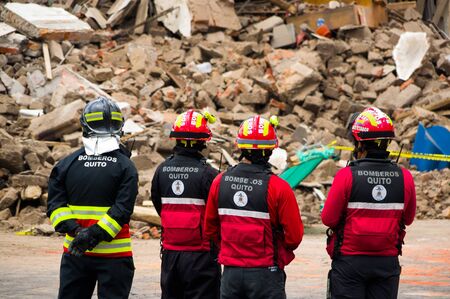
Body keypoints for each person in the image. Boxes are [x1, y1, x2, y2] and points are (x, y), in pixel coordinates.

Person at [47, 96, 138, 299]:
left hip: (75, 253)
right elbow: (122, 210)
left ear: (85, 125)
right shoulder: (125, 166)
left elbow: (55, 207)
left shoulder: (66, 164)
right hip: (115, 256)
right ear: (119, 127)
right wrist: (94, 234)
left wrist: (78, 232)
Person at [204, 115, 304, 299]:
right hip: (267, 274)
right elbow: (294, 237)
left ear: (240, 146)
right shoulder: (279, 187)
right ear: (271, 150)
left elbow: (210, 228)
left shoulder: (220, 182)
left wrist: (231, 249)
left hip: (231, 275)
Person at [321, 107, 416, 299]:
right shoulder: (404, 177)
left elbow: (328, 218)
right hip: (386, 263)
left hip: (349, 263)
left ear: (359, 142)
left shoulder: (346, 176)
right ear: (388, 142)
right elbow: (409, 218)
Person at [151, 109, 221, 299]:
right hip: (202, 256)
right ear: (203, 141)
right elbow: (217, 215)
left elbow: (159, 205)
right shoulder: (209, 174)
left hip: (171, 254)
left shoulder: (162, 170)